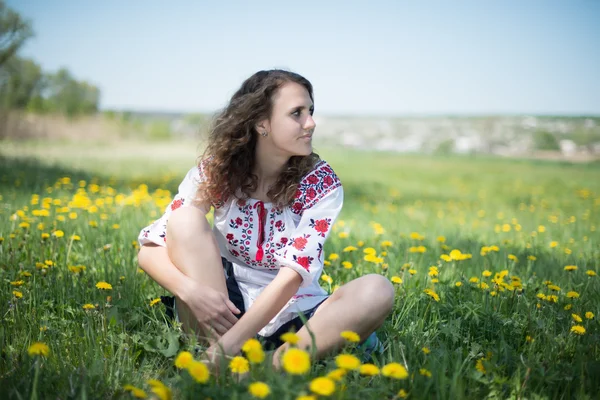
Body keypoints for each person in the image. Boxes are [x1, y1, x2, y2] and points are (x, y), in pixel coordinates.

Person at [136, 69, 394, 371]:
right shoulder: (216, 170)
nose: (310, 123)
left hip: (294, 314)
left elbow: (293, 275)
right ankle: (213, 354)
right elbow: (150, 250)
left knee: (378, 289)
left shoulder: (320, 183)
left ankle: (270, 368)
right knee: (184, 220)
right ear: (262, 123)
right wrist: (191, 292)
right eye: (296, 113)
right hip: (223, 306)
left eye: (310, 111)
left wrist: (229, 346)